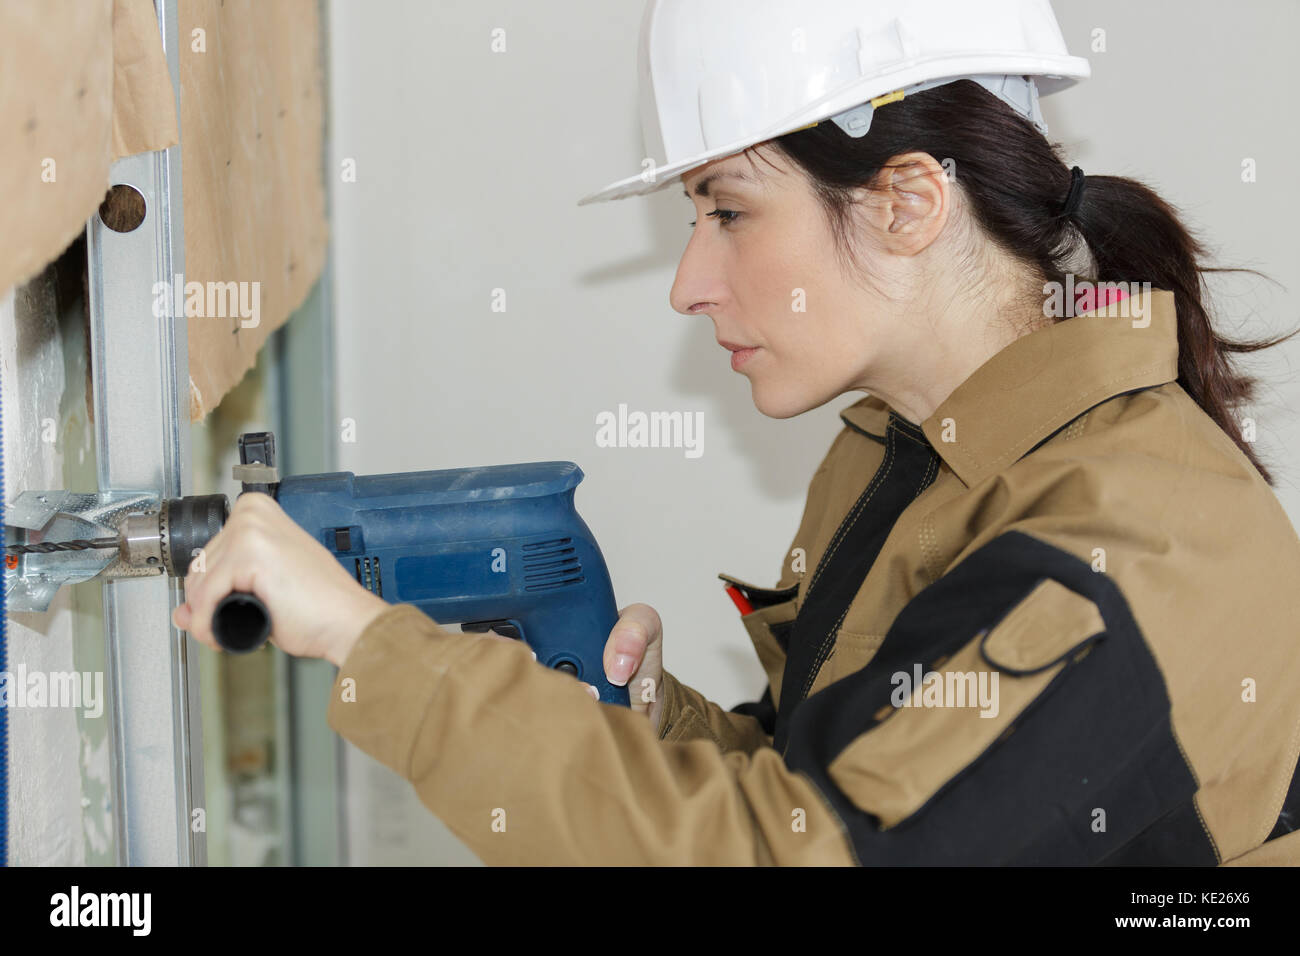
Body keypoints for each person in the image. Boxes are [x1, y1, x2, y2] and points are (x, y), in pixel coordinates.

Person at [173, 0, 1300, 864]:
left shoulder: (1132, 542)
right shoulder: (907, 455)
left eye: (727, 210)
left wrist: (376, 648)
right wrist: (663, 727)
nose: (687, 282)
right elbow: (847, 785)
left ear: (907, 200)